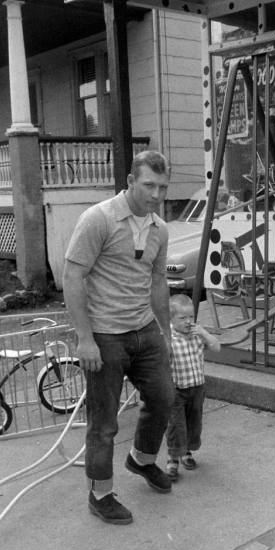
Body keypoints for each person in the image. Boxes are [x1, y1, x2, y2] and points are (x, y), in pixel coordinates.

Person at [63, 150, 175, 525]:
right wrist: (84, 338)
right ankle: (100, 493)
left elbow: (157, 281)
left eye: (162, 186)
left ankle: (141, 459)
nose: (156, 194)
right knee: (104, 422)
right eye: (148, 185)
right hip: (105, 335)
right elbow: (72, 277)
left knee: (163, 398)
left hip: (144, 329)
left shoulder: (160, 228)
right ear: (130, 182)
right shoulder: (99, 219)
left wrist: (167, 330)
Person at [165, 293, 221, 482]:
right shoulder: (169, 338)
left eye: (191, 317)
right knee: (176, 424)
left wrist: (204, 333)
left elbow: (216, 347)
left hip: (197, 387)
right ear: (171, 319)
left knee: (193, 421)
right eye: (182, 318)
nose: (188, 321)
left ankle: (186, 452)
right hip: (176, 389)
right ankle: (172, 458)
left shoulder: (198, 335)